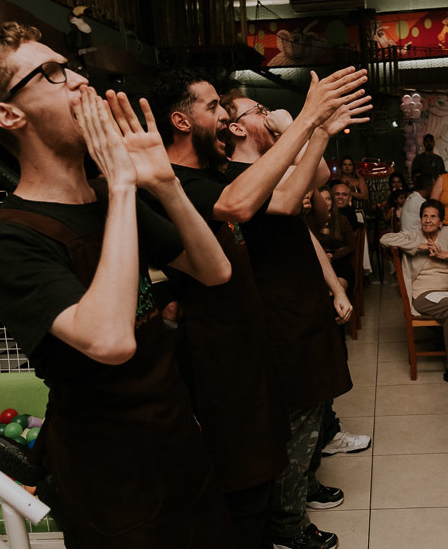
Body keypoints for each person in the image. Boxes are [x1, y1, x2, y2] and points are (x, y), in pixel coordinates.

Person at [0, 22, 234, 548]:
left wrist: (164, 183)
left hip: (178, 440)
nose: (81, 81)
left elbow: (214, 270)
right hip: (109, 474)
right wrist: (123, 185)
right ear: (8, 115)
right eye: (53, 73)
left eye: (71, 66)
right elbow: (110, 341)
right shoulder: (9, 238)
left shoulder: (107, 196)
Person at [147, 66, 367, 549]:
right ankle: (281, 526)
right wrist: (306, 120)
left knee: (267, 452)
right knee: (247, 465)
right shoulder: (181, 181)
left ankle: (277, 522)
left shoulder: (209, 173)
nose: (224, 120)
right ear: (181, 121)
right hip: (221, 347)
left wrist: (316, 129)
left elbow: (290, 201)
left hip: (248, 336)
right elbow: (243, 206)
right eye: (213, 108)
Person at [221, 83, 370, 549]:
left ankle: (303, 488)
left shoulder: (275, 163)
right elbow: (286, 203)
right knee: (297, 414)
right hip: (278, 314)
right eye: (258, 109)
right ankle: (288, 524)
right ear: (236, 127)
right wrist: (300, 125)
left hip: (304, 305)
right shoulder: (237, 175)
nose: (268, 113)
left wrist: (333, 286)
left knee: (314, 405)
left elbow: (315, 188)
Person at [380, 199, 448, 387]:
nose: (428, 220)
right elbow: (385, 239)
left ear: (441, 222)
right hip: (422, 294)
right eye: (425, 216)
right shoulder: (413, 234)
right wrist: (419, 245)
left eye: (433, 217)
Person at [315, 186, 356, 291]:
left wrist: (333, 256)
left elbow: (351, 246)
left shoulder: (342, 220)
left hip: (339, 261)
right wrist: (323, 257)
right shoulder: (311, 220)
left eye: (328, 199)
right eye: (322, 199)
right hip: (318, 263)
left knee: (336, 288)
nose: (326, 202)